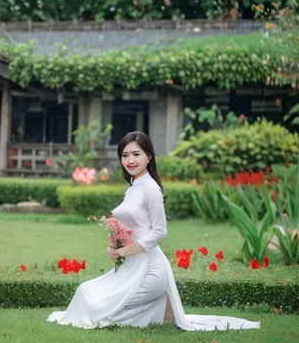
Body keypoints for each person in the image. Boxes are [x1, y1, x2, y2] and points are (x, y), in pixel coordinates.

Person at [48, 131, 260, 332]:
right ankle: (150, 314)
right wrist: (114, 244)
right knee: (86, 291)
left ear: (149, 156)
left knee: (101, 306)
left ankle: (153, 312)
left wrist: (123, 252)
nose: (130, 160)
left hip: (150, 270)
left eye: (136, 154)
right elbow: (126, 226)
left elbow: (159, 232)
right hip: (129, 268)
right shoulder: (132, 188)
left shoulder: (151, 189)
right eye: (125, 155)